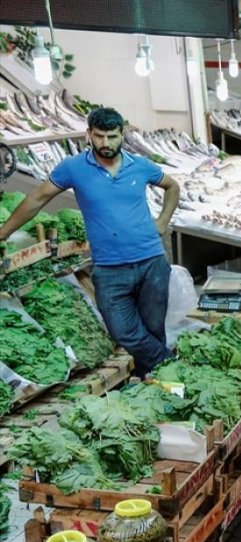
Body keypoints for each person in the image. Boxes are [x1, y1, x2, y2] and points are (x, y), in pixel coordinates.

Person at [0, 107, 180, 377]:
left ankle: (153, 380)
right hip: (109, 269)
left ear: (122, 135)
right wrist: (2, 233)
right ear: (88, 134)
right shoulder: (73, 168)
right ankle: (170, 366)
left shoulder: (140, 166)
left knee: (153, 328)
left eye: (112, 136)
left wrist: (163, 221)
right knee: (123, 331)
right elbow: (37, 199)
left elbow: (172, 186)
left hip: (151, 262)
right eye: (99, 136)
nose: (105, 143)